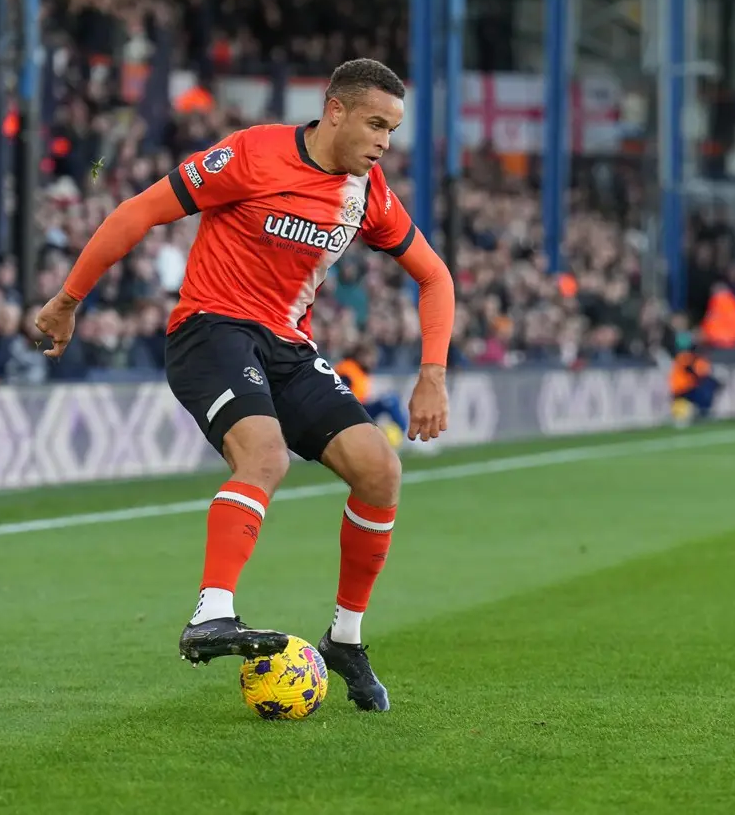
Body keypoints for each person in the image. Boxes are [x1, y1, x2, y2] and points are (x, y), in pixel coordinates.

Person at [34, 59, 455, 712]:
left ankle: (345, 640)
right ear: (335, 111)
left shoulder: (367, 194)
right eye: (374, 124)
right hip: (211, 330)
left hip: (287, 347)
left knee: (380, 470)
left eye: (392, 130)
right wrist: (67, 300)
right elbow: (138, 212)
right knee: (264, 456)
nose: (382, 142)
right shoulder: (251, 154)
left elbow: (435, 276)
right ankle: (213, 612)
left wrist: (432, 373)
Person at [335, 343, 411, 444]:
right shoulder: (347, 369)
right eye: (370, 357)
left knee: (392, 398)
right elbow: (340, 395)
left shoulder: (359, 370)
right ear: (360, 356)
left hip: (359, 408)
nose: (373, 361)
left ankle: (402, 433)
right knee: (389, 400)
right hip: (352, 412)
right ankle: (405, 434)